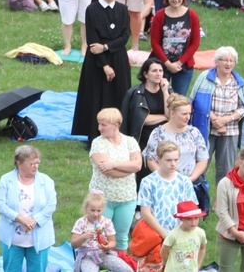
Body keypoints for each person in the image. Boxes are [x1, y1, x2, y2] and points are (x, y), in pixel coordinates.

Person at [71, 0, 131, 143]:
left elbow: (125, 36)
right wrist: (105, 65)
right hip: (97, 61)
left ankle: (118, 134)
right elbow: (92, 39)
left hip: (117, 57)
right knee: (96, 96)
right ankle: (94, 135)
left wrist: (105, 47)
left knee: (118, 95)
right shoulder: (92, 9)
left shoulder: (122, 9)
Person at [189, 46, 244, 186]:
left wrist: (225, 120)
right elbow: (194, 101)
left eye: (232, 60)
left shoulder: (240, 83)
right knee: (199, 165)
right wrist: (215, 119)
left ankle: (221, 202)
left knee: (226, 169)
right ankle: (197, 199)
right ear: (216, 61)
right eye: (224, 60)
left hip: (230, 132)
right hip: (206, 129)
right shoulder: (204, 78)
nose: (228, 64)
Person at [135, 141, 197, 272]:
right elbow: (146, 213)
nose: (173, 163)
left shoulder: (184, 182)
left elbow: (191, 211)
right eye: (168, 160)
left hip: (181, 235)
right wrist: (165, 234)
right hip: (154, 235)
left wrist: (178, 234)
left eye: (176, 159)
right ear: (159, 159)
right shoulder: (148, 182)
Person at [0, 145, 56, 272]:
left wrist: (34, 221)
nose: (36, 166)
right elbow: (1, 205)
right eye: (31, 163)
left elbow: (51, 205)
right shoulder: (6, 180)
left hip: (39, 240)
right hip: (12, 241)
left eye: (37, 163)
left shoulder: (46, 181)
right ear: (19, 164)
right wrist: (21, 219)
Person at [88, 108, 141, 251]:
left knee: (121, 237)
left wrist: (114, 164)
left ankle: (119, 265)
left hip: (127, 198)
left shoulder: (130, 142)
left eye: (103, 125)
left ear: (116, 125)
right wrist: (127, 169)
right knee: (101, 236)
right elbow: (108, 171)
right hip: (102, 200)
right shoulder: (98, 143)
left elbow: (138, 165)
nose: (99, 128)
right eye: (99, 124)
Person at [121, 58, 171, 187]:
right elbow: (142, 119)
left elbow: (171, 114)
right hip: (142, 138)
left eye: (160, 71)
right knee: (144, 175)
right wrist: (164, 117)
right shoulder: (135, 93)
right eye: (154, 71)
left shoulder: (167, 91)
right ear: (145, 74)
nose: (158, 74)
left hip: (163, 138)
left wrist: (165, 91)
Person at [149, 0, 201, 95]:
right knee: (159, 98)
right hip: (161, 65)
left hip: (184, 66)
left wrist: (179, 63)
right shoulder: (159, 15)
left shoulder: (192, 15)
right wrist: (168, 64)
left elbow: (195, 43)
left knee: (178, 100)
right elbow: (155, 43)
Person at [142, 94, 208, 183]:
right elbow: (151, 160)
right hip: (165, 183)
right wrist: (166, 178)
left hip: (190, 183)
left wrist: (191, 179)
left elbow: (203, 159)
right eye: (184, 114)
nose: (188, 117)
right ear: (172, 113)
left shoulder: (194, 132)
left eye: (189, 113)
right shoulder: (158, 133)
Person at [70, 192, 133, 272]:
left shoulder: (106, 222)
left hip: (104, 254)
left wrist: (107, 246)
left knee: (126, 269)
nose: (96, 214)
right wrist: (83, 237)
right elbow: (73, 244)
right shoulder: (81, 223)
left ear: (103, 209)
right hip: (87, 256)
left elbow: (113, 242)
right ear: (86, 208)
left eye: (98, 211)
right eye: (92, 210)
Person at [160, 201, 206, 272]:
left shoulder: (200, 233)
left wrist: (198, 266)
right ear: (181, 219)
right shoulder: (173, 234)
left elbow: (202, 249)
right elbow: (164, 252)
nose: (193, 222)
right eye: (189, 219)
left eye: (196, 218)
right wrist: (168, 264)